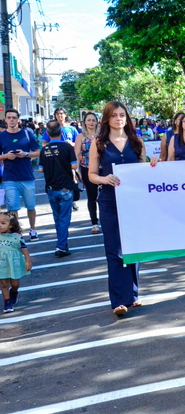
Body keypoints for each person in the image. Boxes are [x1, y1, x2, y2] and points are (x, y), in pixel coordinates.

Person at [88, 101, 154, 317]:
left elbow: (144, 170)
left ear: (127, 118)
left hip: (133, 202)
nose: (119, 118)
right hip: (109, 202)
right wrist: (104, 178)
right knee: (114, 251)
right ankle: (118, 300)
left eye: (122, 115)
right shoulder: (98, 142)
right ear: (107, 118)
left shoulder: (137, 141)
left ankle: (132, 295)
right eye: (114, 115)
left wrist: (153, 163)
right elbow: (91, 175)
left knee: (133, 247)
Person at [0, 108, 40, 240]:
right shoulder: (2, 136)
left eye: (14, 117)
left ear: (18, 119)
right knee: (12, 208)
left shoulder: (27, 133)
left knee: (31, 205)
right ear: (5, 119)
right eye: (9, 117)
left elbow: (38, 151)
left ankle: (33, 229)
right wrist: (5, 156)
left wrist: (26, 154)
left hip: (27, 176)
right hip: (9, 177)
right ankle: (16, 233)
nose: (11, 120)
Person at [41, 119, 79, 257]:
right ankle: (61, 246)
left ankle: (61, 243)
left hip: (51, 187)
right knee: (64, 218)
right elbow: (74, 166)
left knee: (57, 218)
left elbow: (40, 169)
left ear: (47, 133)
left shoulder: (44, 150)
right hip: (65, 187)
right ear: (61, 132)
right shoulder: (67, 147)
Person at [0, 211, 32, 313]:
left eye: (3, 223)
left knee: (15, 283)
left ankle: (14, 292)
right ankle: (7, 303)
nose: (0, 225)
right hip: (1, 264)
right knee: (4, 283)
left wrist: (28, 261)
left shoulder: (17, 236)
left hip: (14, 263)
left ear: (11, 225)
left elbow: (24, 248)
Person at [75, 112, 101, 234]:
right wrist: (76, 170)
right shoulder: (80, 137)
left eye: (93, 120)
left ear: (97, 122)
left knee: (105, 196)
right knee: (92, 196)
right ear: (84, 122)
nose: (91, 122)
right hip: (86, 168)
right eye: (89, 120)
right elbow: (77, 155)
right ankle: (94, 223)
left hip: (103, 168)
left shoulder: (102, 135)